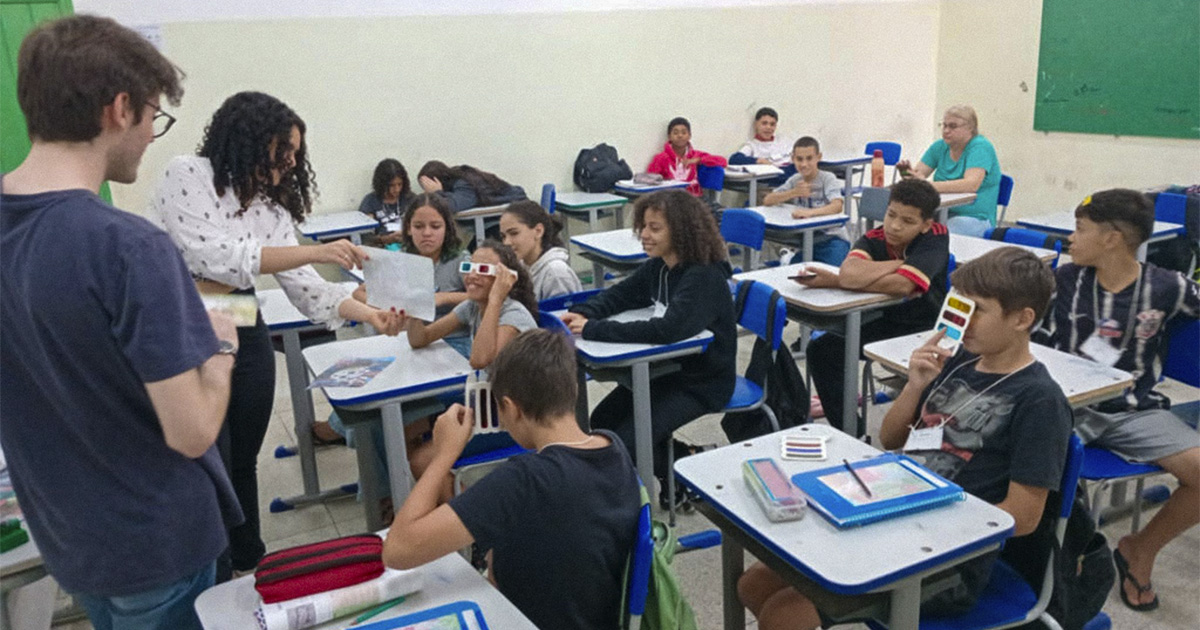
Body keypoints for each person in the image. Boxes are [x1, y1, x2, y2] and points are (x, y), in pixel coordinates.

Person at [0, 16, 241, 629]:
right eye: (153, 118)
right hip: (154, 540)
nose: (151, 137)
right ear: (120, 109)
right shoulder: (128, 247)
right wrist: (219, 353)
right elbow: (191, 433)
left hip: (66, 531)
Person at [740, 247, 1072, 629]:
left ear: (1022, 319)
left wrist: (925, 507)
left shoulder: (1040, 400)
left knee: (785, 613)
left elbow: (1025, 518)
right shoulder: (962, 360)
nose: (964, 321)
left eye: (977, 309)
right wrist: (915, 384)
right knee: (755, 583)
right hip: (895, 511)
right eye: (960, 305)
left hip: (952, 555)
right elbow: (892, 437)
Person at [152, 91, 403, 581]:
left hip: (240, 315)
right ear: (248, 139)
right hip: (185, 321)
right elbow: (215, 256)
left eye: (295, 154)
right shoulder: (189, 174)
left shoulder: (271, 205)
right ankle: (212, 571)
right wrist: (316, 252)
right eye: (282, 151)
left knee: (243, 454)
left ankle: (248, 560)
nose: (290, 163)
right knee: (209, 458)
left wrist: (367, 315)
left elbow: (308, 292)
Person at [382, 329, 641, 630]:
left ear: (512, 407)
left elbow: (398, 550)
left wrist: (443, 456)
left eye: (500, 412)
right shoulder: (612, 447)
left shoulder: (525, 480)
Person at [1037, 188, 1200, 612]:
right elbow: (1030, 338)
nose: (1070, 239)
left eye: (1080, 230)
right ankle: (1053, 559)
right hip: (1065, 409)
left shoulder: (1167, 287)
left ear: (1112, 238)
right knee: (1025, 461)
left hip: (1132, 412)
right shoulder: (1064, 280)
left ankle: (1139, 550)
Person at [562, 190, 736, 509]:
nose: (644, 234)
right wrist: (585, 311)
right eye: (643, 226)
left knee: (627, 441)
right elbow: (621, 294)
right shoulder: (660, 266)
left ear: (681, 232)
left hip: (702, 381)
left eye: (655, 228)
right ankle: (685, 460)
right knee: (602, 422)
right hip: (667, 371)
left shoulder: (703, 276)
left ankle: (657, 493)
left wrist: (594, 329)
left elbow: (667, 330)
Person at [314, 193, 472, 450]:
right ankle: (348, 430)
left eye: (435, 226)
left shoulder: (461, 260)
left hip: (453, 343)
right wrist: (390, 304)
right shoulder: (401, 259)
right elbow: (360, 292)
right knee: (376, 381)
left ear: (447, 228)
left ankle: (339, 431)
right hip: (413, 339)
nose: (427, 234)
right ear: (408, 229)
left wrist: (443, 298)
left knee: (394, 393)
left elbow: (478, 295)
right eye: (418, 227)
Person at [797, 178, 948, 435]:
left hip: (928, 330)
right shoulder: (875, 237)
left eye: (908, 221)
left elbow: (902, 286)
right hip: (887, 321)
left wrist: (854, 277)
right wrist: (898, 265)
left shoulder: (936, 237)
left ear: (926, 225)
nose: (895, 226)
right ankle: (851, 432)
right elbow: (850, 274)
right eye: (891, 215)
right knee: (821, 350)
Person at [896, 104, 1001, 237]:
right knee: (905, 228)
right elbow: (919, 176)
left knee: (936, 236)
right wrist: (909, 175)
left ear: (970, 128)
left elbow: (971, 185)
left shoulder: (980, 147)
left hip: (974, 218)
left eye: (952, 126)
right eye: (944, 125)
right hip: (939, 212)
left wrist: (926, 185)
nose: (946, 130)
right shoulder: (939, 147)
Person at [762, 136, 851, 266]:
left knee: (829, 273)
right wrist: (793, 192)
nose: (804, 164)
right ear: (793, 159)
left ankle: (788, 257)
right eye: (799, 159)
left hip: (832, 239)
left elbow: (837, 206)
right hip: (807, 241)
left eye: (809, 158)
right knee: (795, 273)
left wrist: (810, 213)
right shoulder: (795, 180)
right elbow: (768, 200)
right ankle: (788, 257)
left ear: (818, 157)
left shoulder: (828, 178)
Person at [499, 199, 583, 301]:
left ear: (538, 231)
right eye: (503, 236)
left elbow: (560, 316)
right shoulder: (522, 265)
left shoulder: (556, 274)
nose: (506, 242)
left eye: (514, 233)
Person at [646, 116, 728, 197]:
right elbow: (650, 180)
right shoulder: (661, 158)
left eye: (684, 132)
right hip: (670, 200)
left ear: (689, 136)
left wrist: (697, 160)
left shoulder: (695, 155)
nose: (680, 136)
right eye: (675, 133)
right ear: (669, 137)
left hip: (695, 199)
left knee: (715, 208)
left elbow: (722, 161)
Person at [416, 160, 527, 214]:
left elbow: (454, 206)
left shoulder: (464, 183)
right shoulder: (459, 180)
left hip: (518, 211)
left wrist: (437, 193)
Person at [356, 157, 414, 245]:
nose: (397, 189)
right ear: (382, 184)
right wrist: (385, 239)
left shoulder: (410, 198)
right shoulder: (370, 202)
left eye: (400, 184)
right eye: (392, 185)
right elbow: (365, 236)